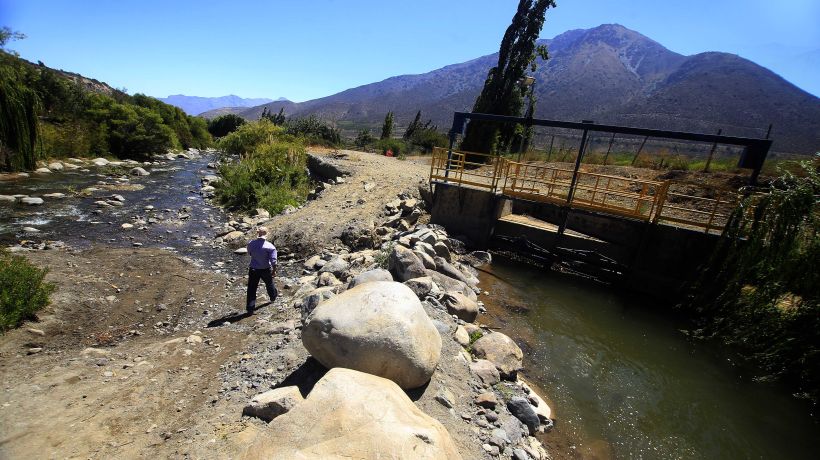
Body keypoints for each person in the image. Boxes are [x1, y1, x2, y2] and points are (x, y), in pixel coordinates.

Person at [246, 226, 278, 313]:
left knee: (252, 288)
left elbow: (250, 253)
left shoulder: (251, 243)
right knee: (269, 283)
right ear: (266, 235)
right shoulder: (270, 247)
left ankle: (250, 307)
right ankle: (273, 297)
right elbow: (274, 261)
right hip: (265, 268)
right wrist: (274, 271)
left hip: (253, 268)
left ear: (257, 234)